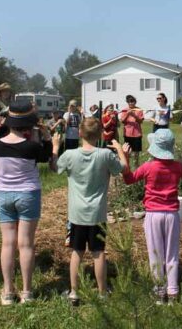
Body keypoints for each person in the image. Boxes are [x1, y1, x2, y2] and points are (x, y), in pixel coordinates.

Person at [0, 101, 60, 305]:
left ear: (9, 122)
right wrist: (48, 140)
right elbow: (47, 157)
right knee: (26, 244)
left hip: (3, 195)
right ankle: (27, 291)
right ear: (29, 124)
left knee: (7, 244)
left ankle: (8, 291)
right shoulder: (32, 147)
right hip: (28, 194)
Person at [53, 118, 128, 305]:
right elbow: (123, 169)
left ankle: (74, 293)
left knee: (76, 251)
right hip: (97, 214)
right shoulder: (105, 155)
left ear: (79, 133)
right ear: (101, 135)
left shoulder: (70, 155)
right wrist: (120, 149)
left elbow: (55, 168)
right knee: (98, 252)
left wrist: (55, 147)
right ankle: (102, 293)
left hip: (76, 214)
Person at [120, 129, 182, 304]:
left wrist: (125, 157)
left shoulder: (148, 167)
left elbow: (128, 179)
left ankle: (159, 292)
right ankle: (172, 292)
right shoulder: (177, 166)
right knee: (172, 254)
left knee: (156, 255)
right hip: (172, 214)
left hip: (153, 214)